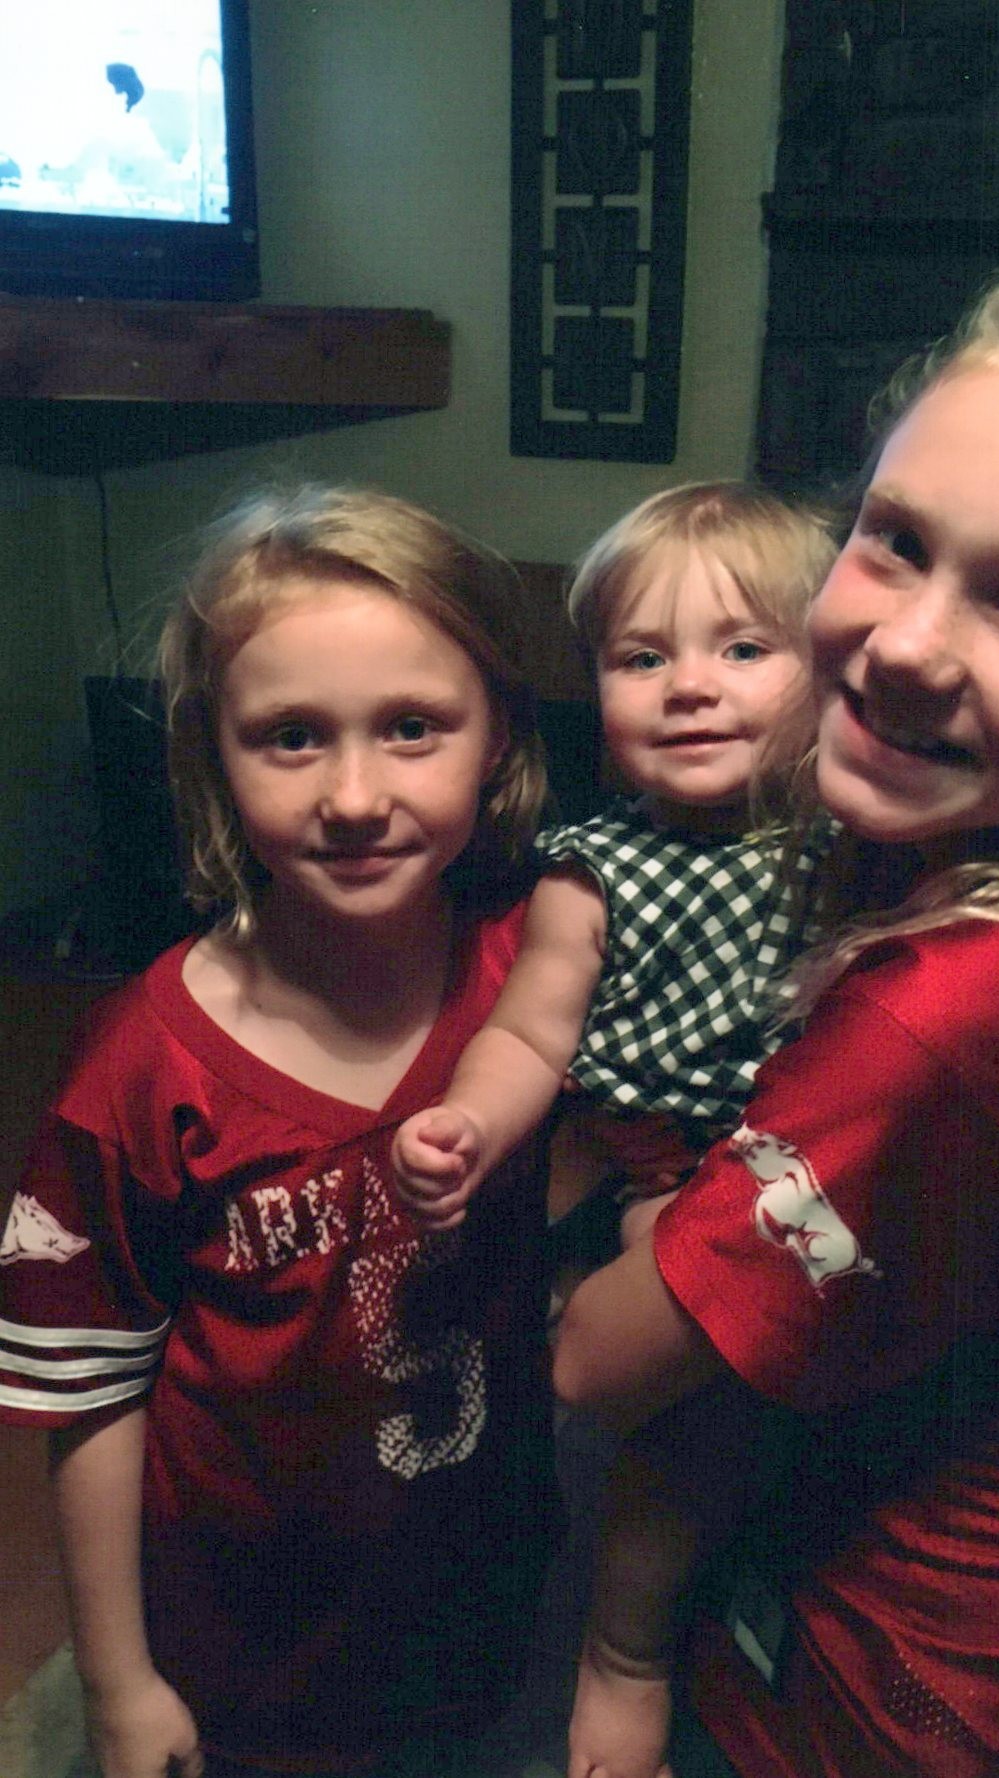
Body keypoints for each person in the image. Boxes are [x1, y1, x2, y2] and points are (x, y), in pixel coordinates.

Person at [553, 262, 999, 1778]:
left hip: (873, 1687)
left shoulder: (954, 1019)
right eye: (894, 540)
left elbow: (595, 1365)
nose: (903, 645)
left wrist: (620, 1225)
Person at [0, 486, 555, 1778]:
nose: (355, 796)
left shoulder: (533, 973)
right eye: (291, 737)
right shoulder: (141, 1067)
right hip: (242, 1635)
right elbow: (87, 1394)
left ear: (495, 736)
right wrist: (119, 1678)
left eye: (412, 727)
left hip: (479, 1592)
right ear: (211, 757)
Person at [392, 482, 837, 1237]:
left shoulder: (852, 845)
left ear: (831, 668)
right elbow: (528, 1038)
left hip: (818, 1158)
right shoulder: (592, 875)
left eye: (744, 649)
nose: (689, 686)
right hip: (655, 1175)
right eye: (643, 658)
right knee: (652, 1241)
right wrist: (471, 1123)